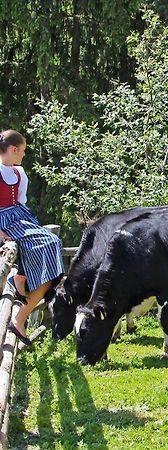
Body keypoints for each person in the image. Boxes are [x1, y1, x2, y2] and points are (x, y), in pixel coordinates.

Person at [0, 129, 64, 345]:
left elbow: (21, 202)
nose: (24, 155)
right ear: (13, 149)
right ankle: (19, 314)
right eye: (23, 151)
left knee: (52, 249)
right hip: (4, 222)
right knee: (51, 242)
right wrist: (2, 234)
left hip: (20, 218)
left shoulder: (19, 173)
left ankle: (22, 281)